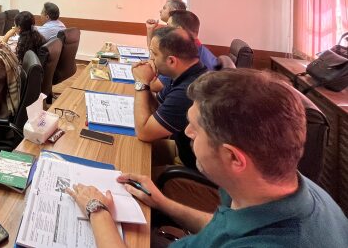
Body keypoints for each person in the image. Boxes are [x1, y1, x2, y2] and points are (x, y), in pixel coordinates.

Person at [66, 70, 348, 247]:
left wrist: (97, 209)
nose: (186, 132)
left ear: (233, 157)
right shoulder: (290, 188)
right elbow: (225, 229)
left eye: (195, 129)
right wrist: (164, 203)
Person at [132, 26, 206, 170]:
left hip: (190, 167)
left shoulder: (188, 91)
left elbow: (144, 133)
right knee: (130, 149)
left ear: (171, 61)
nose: (151, 60)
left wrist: (141, 83)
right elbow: (158, 109)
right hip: (182, 149)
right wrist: (146, 85)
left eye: (154, 54)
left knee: (131, 169)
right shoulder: (188, 72)